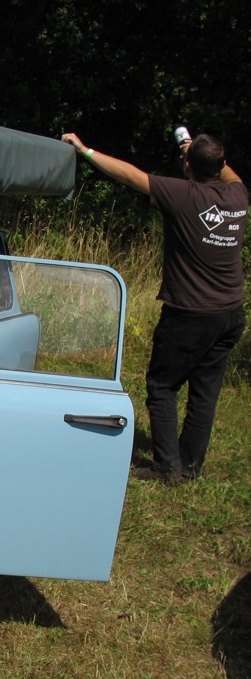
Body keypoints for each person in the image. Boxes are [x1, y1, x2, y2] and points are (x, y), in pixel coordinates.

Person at [62, 131, 247, 481]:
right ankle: (190, 466)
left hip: (190, 314)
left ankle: (167, 466)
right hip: (230, 314)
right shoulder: (237, 194)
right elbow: (228, 172)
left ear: (188, 164)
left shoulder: (184, 194)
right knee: (205, 392)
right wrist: (200, 155)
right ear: (221, 165)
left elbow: (131, 175)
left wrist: (85, 151)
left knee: (162, 386)